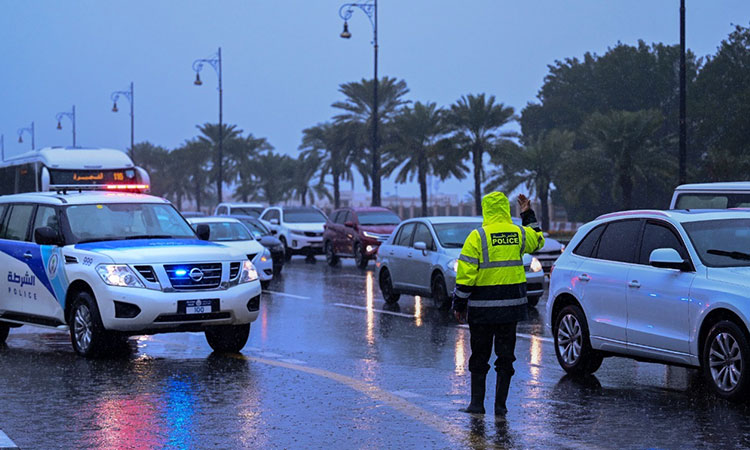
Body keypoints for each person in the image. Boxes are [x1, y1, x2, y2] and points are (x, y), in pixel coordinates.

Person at [452, 192, 545, 416]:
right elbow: (538, 240)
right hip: (510, 310)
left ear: (486, 210)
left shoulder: (478, 236)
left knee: (479, 356)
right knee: (505, 358)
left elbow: (466, 274)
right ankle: (500, 407)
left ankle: (476, 404)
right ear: (505, 209)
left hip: (482, 311)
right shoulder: (518, 233)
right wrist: (527, 214)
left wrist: (459, 304)